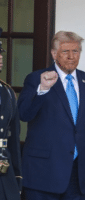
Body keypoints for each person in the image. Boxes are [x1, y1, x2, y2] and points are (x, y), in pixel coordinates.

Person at [18, 31, 85, 200]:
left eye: (76, 51)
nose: (71, 56)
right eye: (65, 51)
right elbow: (24, 114)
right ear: (54, 53)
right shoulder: (36, 78)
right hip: (42, 174)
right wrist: (42, 90)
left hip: (77, 173)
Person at [0, 27, 22, 200]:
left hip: (4, 174)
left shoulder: (7, 92)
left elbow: (13, 139)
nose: (0, 57)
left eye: (0, 52)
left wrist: (17, 176)